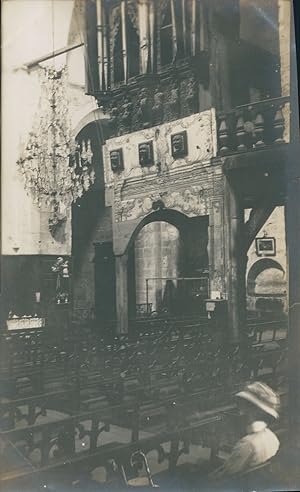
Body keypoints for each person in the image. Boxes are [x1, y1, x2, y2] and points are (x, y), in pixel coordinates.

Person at [209, 381, 280, 481]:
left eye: (244, 408)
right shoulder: (273, 437)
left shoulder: (247, 444)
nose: (241, 412)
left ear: (255, 412)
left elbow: (225, 476)